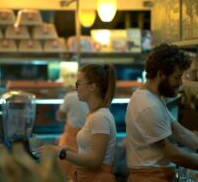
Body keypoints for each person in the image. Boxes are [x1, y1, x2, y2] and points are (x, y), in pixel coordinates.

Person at [125, 43, 198, 182]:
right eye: (177, 77)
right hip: (149, 178)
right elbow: (173, 154)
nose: (180, 83)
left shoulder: (153, 98)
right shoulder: (148, 105)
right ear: (160, 74)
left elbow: (180, 132)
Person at [40, 63, 117, 182]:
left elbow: (95, 161)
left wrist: (61, 153)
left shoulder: (100, 117)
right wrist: (67, 150)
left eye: (78, 83)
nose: (76, 87)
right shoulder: (94, 115)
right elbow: (89, 153)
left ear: (92, 87)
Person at [56, 91, 89, 180]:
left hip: (70, 137)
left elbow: (59, 116)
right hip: (87, 138)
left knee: (67, 170)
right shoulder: (94, 98)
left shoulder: (70, 96)